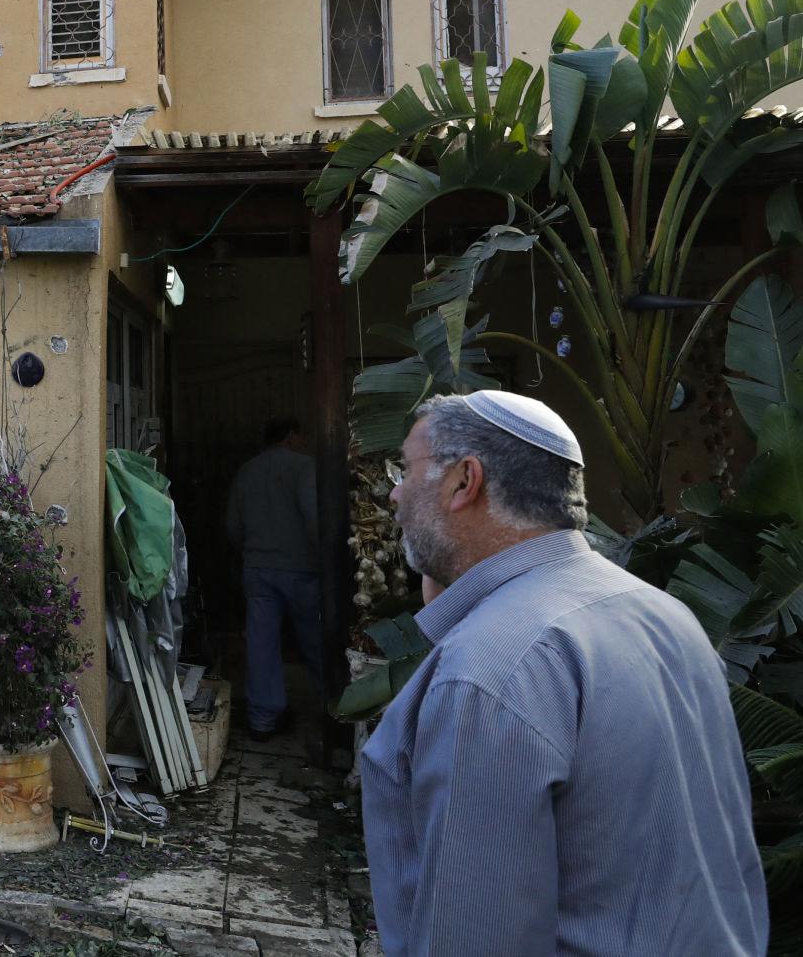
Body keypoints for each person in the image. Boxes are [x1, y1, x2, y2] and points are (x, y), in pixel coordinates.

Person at [364, 391, 767, 955]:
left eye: (404, 469)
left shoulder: (491, 667)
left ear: (464, 480)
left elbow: (475, 935)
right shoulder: (665, 615)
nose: (396, 492)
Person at [225, 416, 321, 738]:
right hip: (302, 569)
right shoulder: (304, 467)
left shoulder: (247, 470)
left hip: (258, 569)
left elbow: (233, 525)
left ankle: (261, 721)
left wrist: (252, 551)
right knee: (316, 641)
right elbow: (313, 517)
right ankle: (334, 709)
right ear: (292, 435)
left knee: (262, 644)